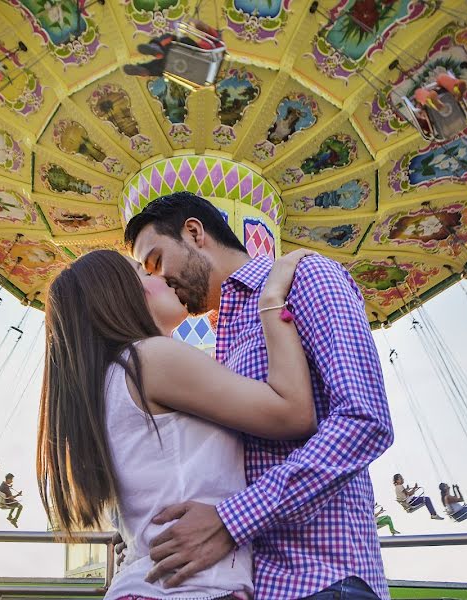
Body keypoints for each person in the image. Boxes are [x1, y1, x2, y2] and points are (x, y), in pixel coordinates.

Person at [124, 191, 394, 599]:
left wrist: (233, 520)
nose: (159, 281)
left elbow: (365, 420)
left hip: (321, 577)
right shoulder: (223, 338)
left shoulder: (306, 277)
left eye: (157, 261)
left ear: (194, 232)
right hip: (250, 583)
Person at [37, 247, 316, 600]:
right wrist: (272, 301)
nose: (162, 278)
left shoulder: (111, 381)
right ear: (121, 294)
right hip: (191, 589)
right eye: (144, 272)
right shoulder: (152, 359)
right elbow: (293, 412)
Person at [123, 20, 222, 78]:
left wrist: (194, 23)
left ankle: (156, 51)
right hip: (191, 62)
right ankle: (147, 67)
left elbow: (204, 27)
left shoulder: (216, 39)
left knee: (171, 39)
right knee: (163, 65)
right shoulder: (213, 43)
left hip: (198, 53)